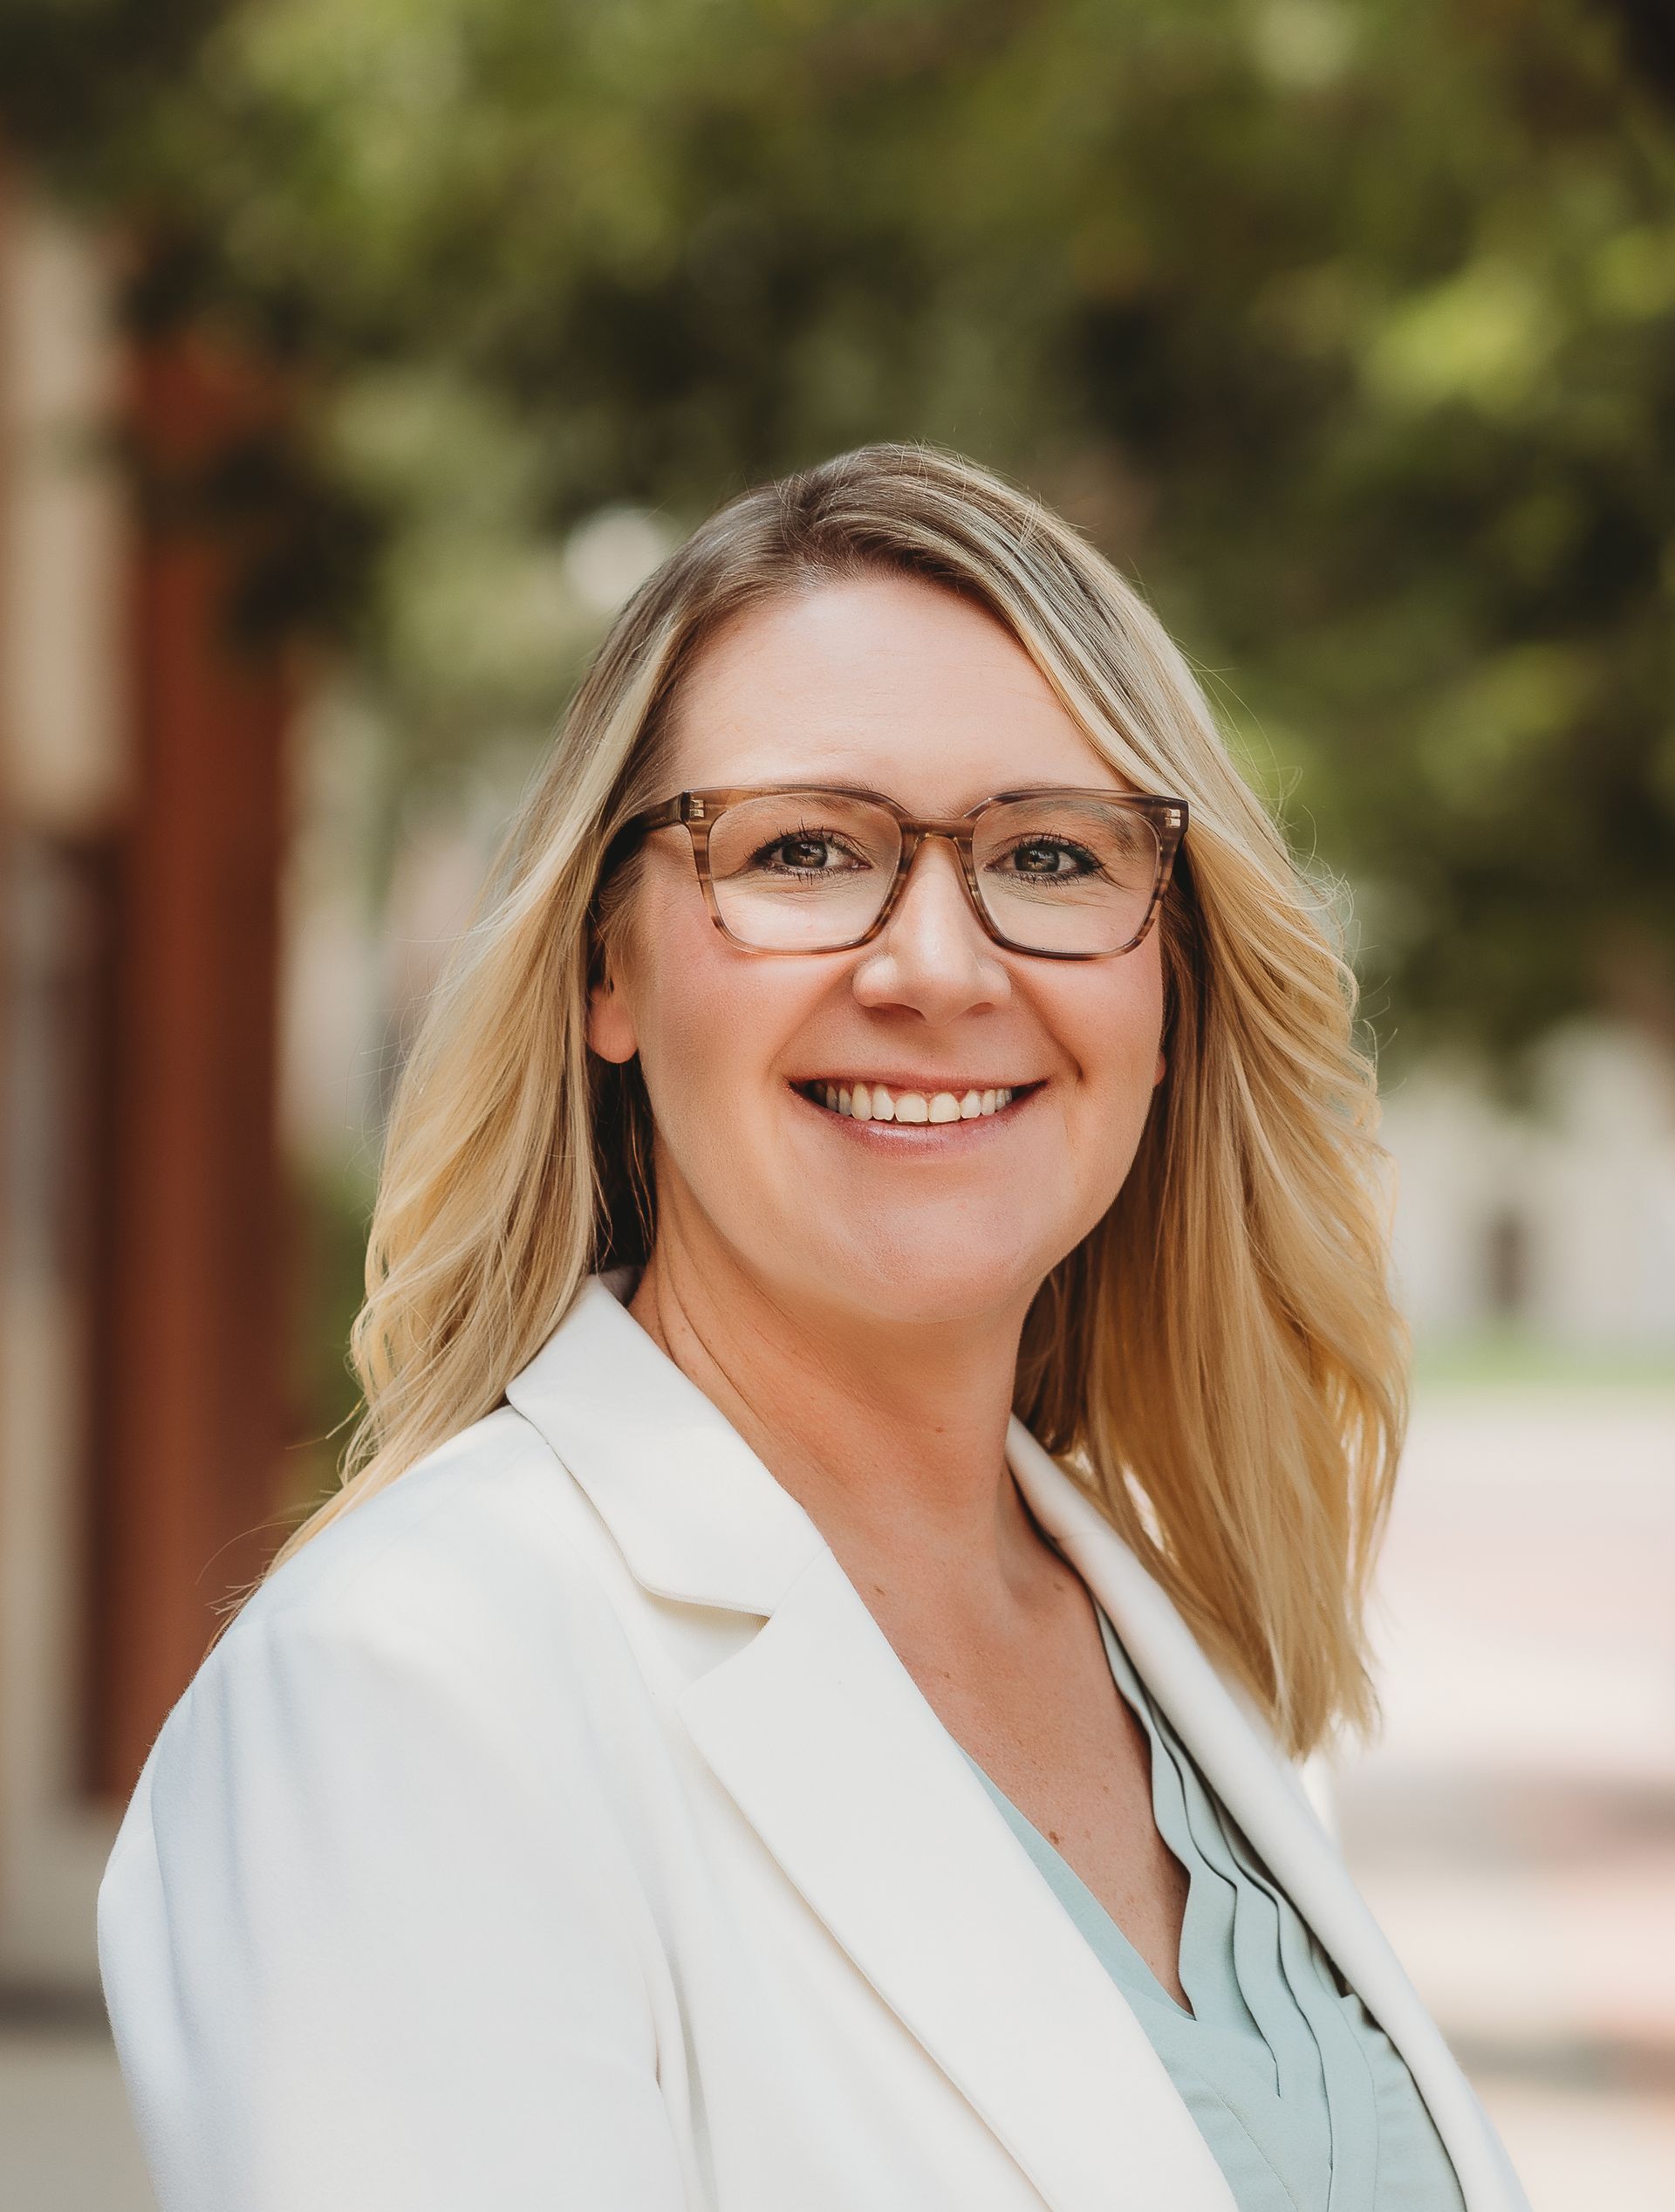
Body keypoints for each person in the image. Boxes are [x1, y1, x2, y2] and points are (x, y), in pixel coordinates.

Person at [98, 443, 1530, 2211]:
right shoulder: (414, 1690)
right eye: (801, 847)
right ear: (604, 970)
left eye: (1054, 853)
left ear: (1175, 975)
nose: (936, 966)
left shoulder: (1172, 1654)